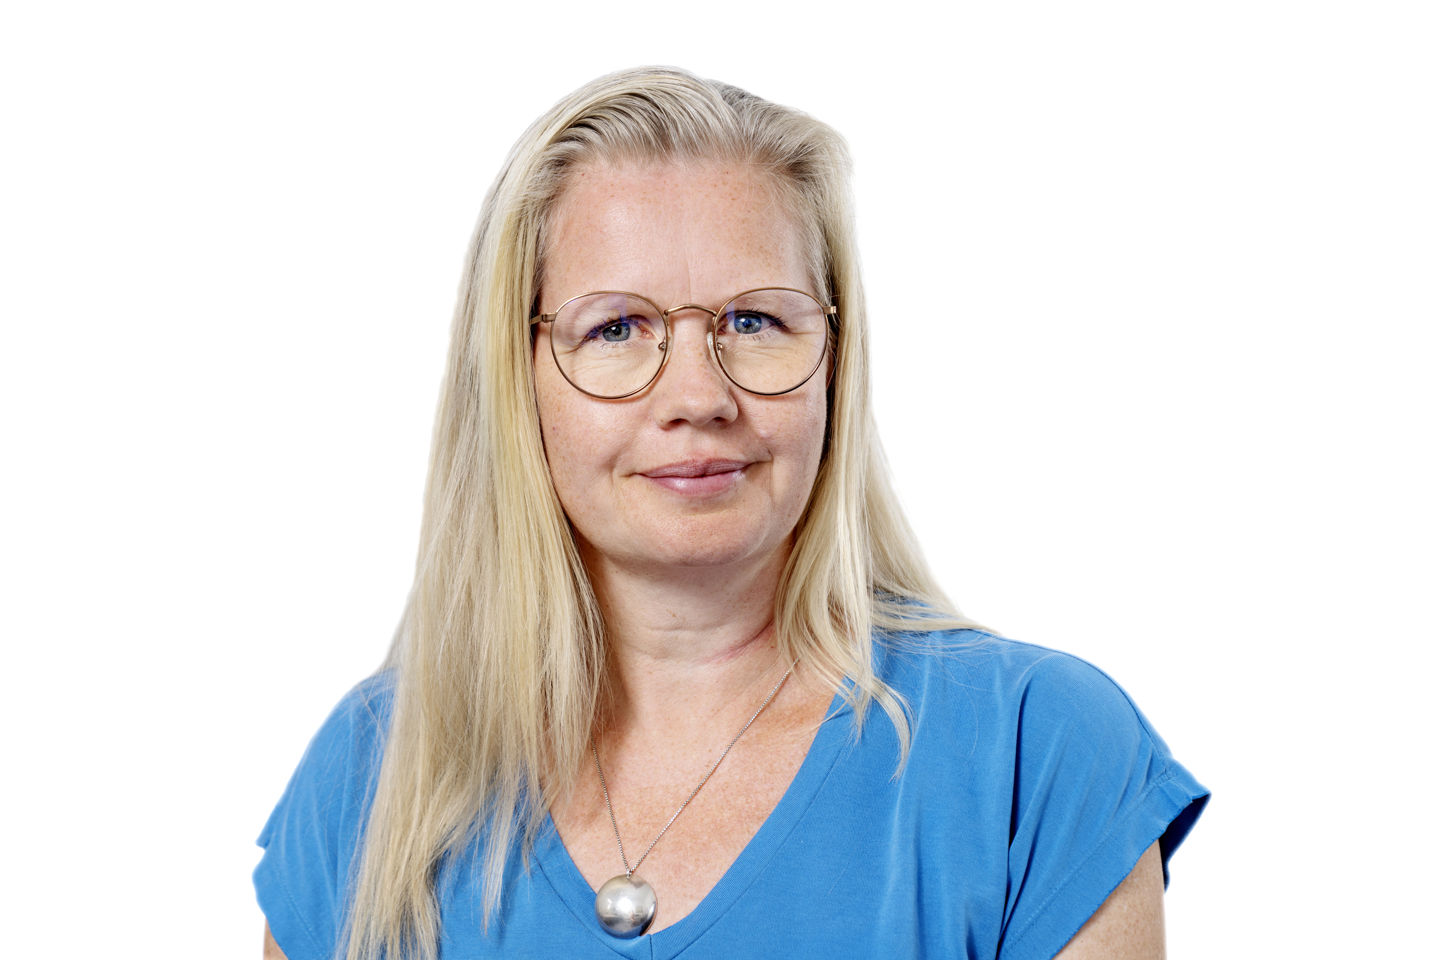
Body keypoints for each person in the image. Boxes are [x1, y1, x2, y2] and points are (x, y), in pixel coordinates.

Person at [254, 66, 1208, 960]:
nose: (698, 396)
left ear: (836, 359)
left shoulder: (1035, 753)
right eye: (616, 328)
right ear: (517, 377)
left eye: (754, 321)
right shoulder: (372, 777)